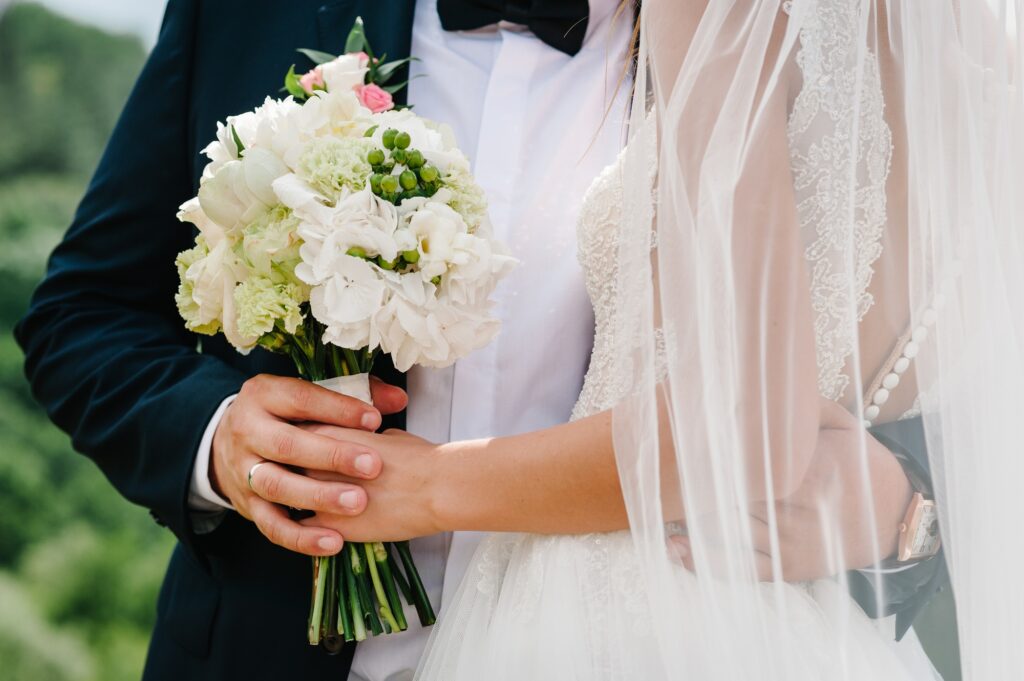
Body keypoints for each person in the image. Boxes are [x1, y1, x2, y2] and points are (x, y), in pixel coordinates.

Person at [15, 1, 962, 680]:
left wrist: (902, 511)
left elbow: (895, 332)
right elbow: (81, 314)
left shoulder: (759, 27)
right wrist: (218, 437)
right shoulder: (242, 14)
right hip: (268, 649)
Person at [290, 1, 1024, 679]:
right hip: (800, 632)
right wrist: (899, 496)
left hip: (618, 604)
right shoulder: (984, 42)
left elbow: (749, 419)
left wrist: (431, 485)